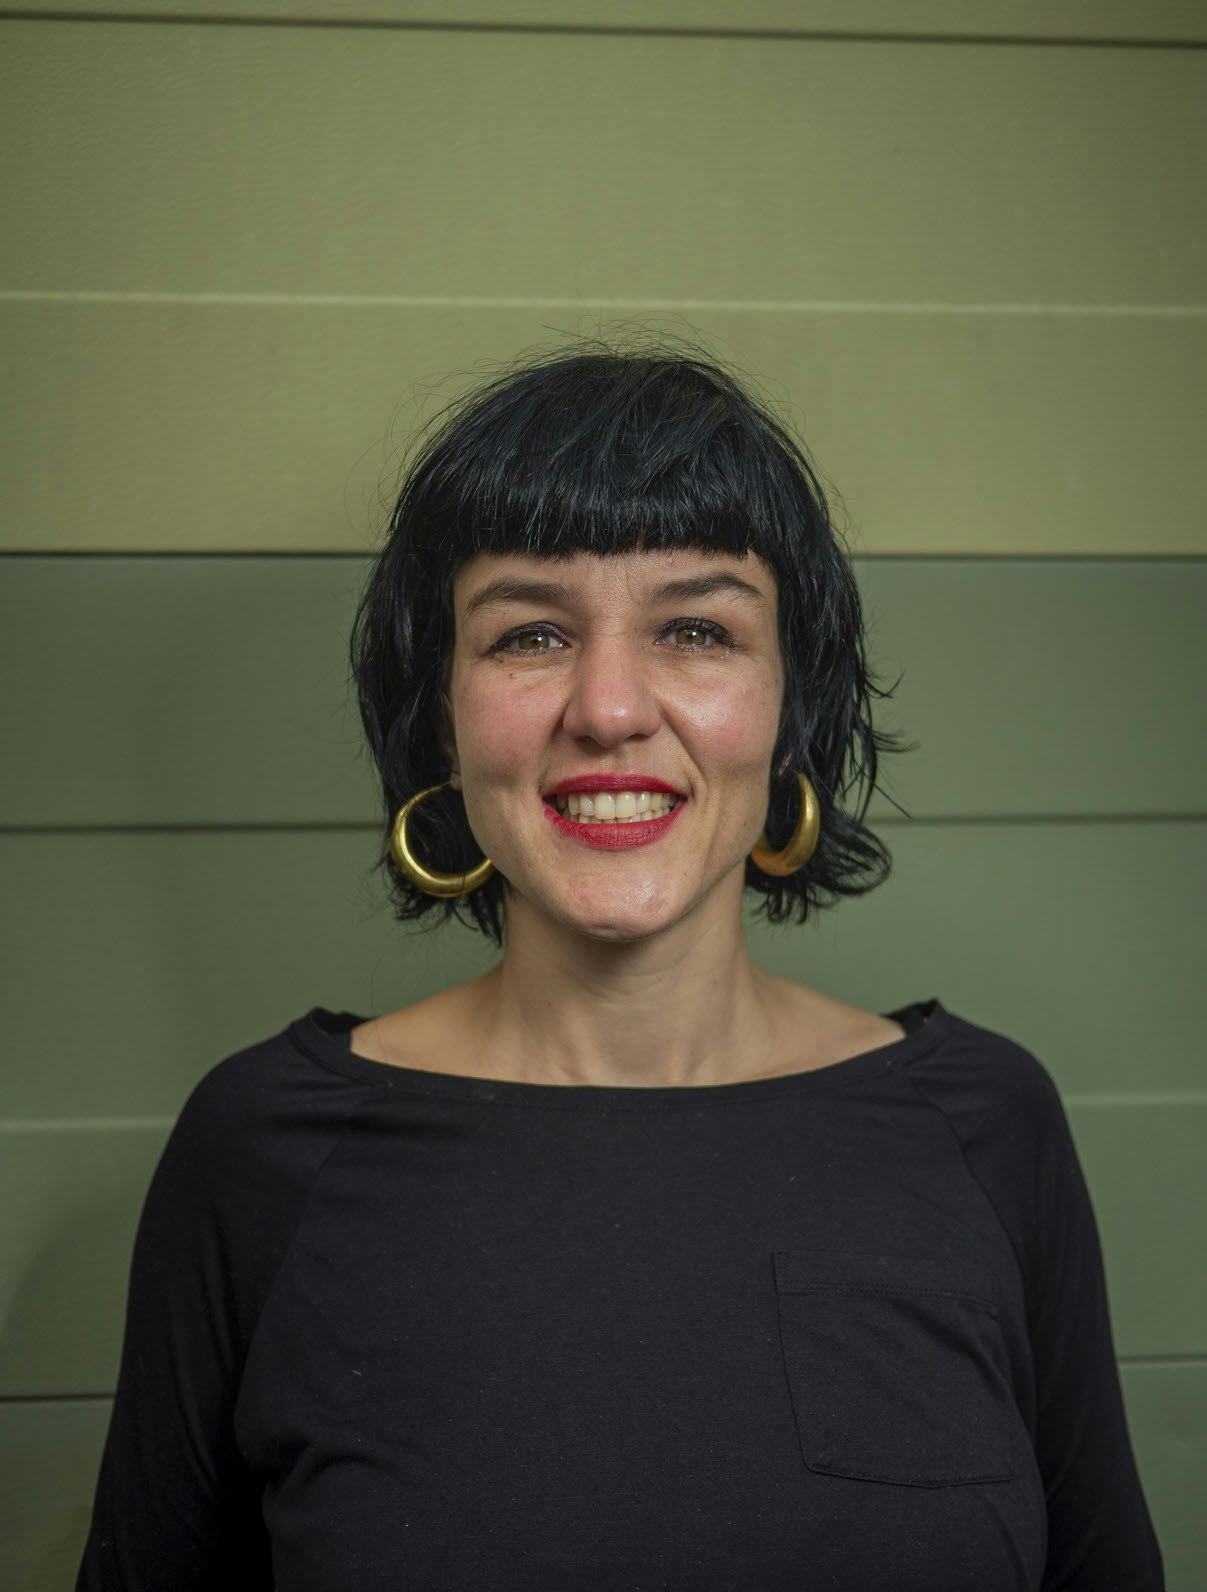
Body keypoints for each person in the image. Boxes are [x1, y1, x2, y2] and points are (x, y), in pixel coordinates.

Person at [77, 339, 1163, 1590]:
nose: (607, 707)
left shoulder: (984, 1126)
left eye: (696, 627)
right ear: (440, 714)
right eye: (529, 633)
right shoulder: (260, 1152)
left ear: (790, 704)